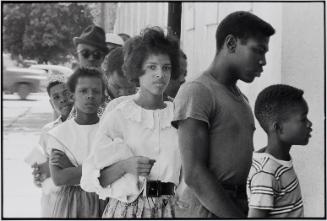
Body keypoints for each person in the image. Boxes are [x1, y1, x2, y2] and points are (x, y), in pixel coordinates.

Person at [171, 11, 275, 218]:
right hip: (206, 209)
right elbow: (195, 175)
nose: (263, 61)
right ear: (231, 44)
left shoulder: (240, 98)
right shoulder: (198, 90)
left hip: (236, 204)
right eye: (258, 51)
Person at [81, 27, 182, 218]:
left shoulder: (179, 115)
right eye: (152, 67)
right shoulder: (119, 115)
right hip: (127, 211)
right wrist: (125, 166)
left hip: (171, 210)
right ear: (137, 69)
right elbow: (89, 179)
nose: (160, 74)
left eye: (166, 67)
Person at [47, 68, 106, 218]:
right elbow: (60, 178)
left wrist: (71, 168)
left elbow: (116, 172)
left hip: (106, 201)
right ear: (72, 95)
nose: (90, 96)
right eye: (83, 91)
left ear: (103, 97)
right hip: (72, 205)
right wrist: (99, 169)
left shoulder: (110, 130)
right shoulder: (58, 134)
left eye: (96, 91)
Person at [247, 84, 312, 218]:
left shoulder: (280, 162)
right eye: (303, 119)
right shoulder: (266, 173)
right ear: (278, 128)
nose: (309, 124)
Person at [29, 77, 74, 217]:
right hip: (52, 202)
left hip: (77, 200)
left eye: (66, 93)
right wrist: (39, 177)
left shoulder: (86, 126)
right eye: (56, 97)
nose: (62, 99)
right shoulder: (47, 130)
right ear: (51, 103)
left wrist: (59, 168)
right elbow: (43, 170)